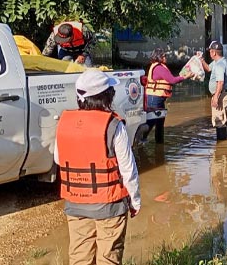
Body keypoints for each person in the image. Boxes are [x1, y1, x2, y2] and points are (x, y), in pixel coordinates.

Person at [54, 69, 140, 265]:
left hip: (75, 204)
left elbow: (59, 159)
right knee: (108, 257)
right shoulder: (114, 125)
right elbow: (128, 170)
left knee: (80, 257)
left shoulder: (64, 123)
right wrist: (135, 201)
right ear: (106, 96)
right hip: (109, 205)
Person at [144, 47, 193, 143]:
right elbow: (172, 80)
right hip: (155, 98)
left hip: (157, 98)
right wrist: (185, 77)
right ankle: (141, 139)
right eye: (164, 56)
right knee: (151, 121)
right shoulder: (159, 68)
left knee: (159, 122)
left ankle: (159, 144)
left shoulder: (158, 67)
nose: (166, 57)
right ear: (159, 57)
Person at [200, 40, 227, 141]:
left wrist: (216, 97)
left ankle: (221, 147)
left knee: (219, 121)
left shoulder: (220, 65)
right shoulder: (218, 62)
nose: (209, 53)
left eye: (210, 51)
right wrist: (201, 60)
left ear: (214, 52)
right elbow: (207, 69)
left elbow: (220, 82)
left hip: (221, 95)